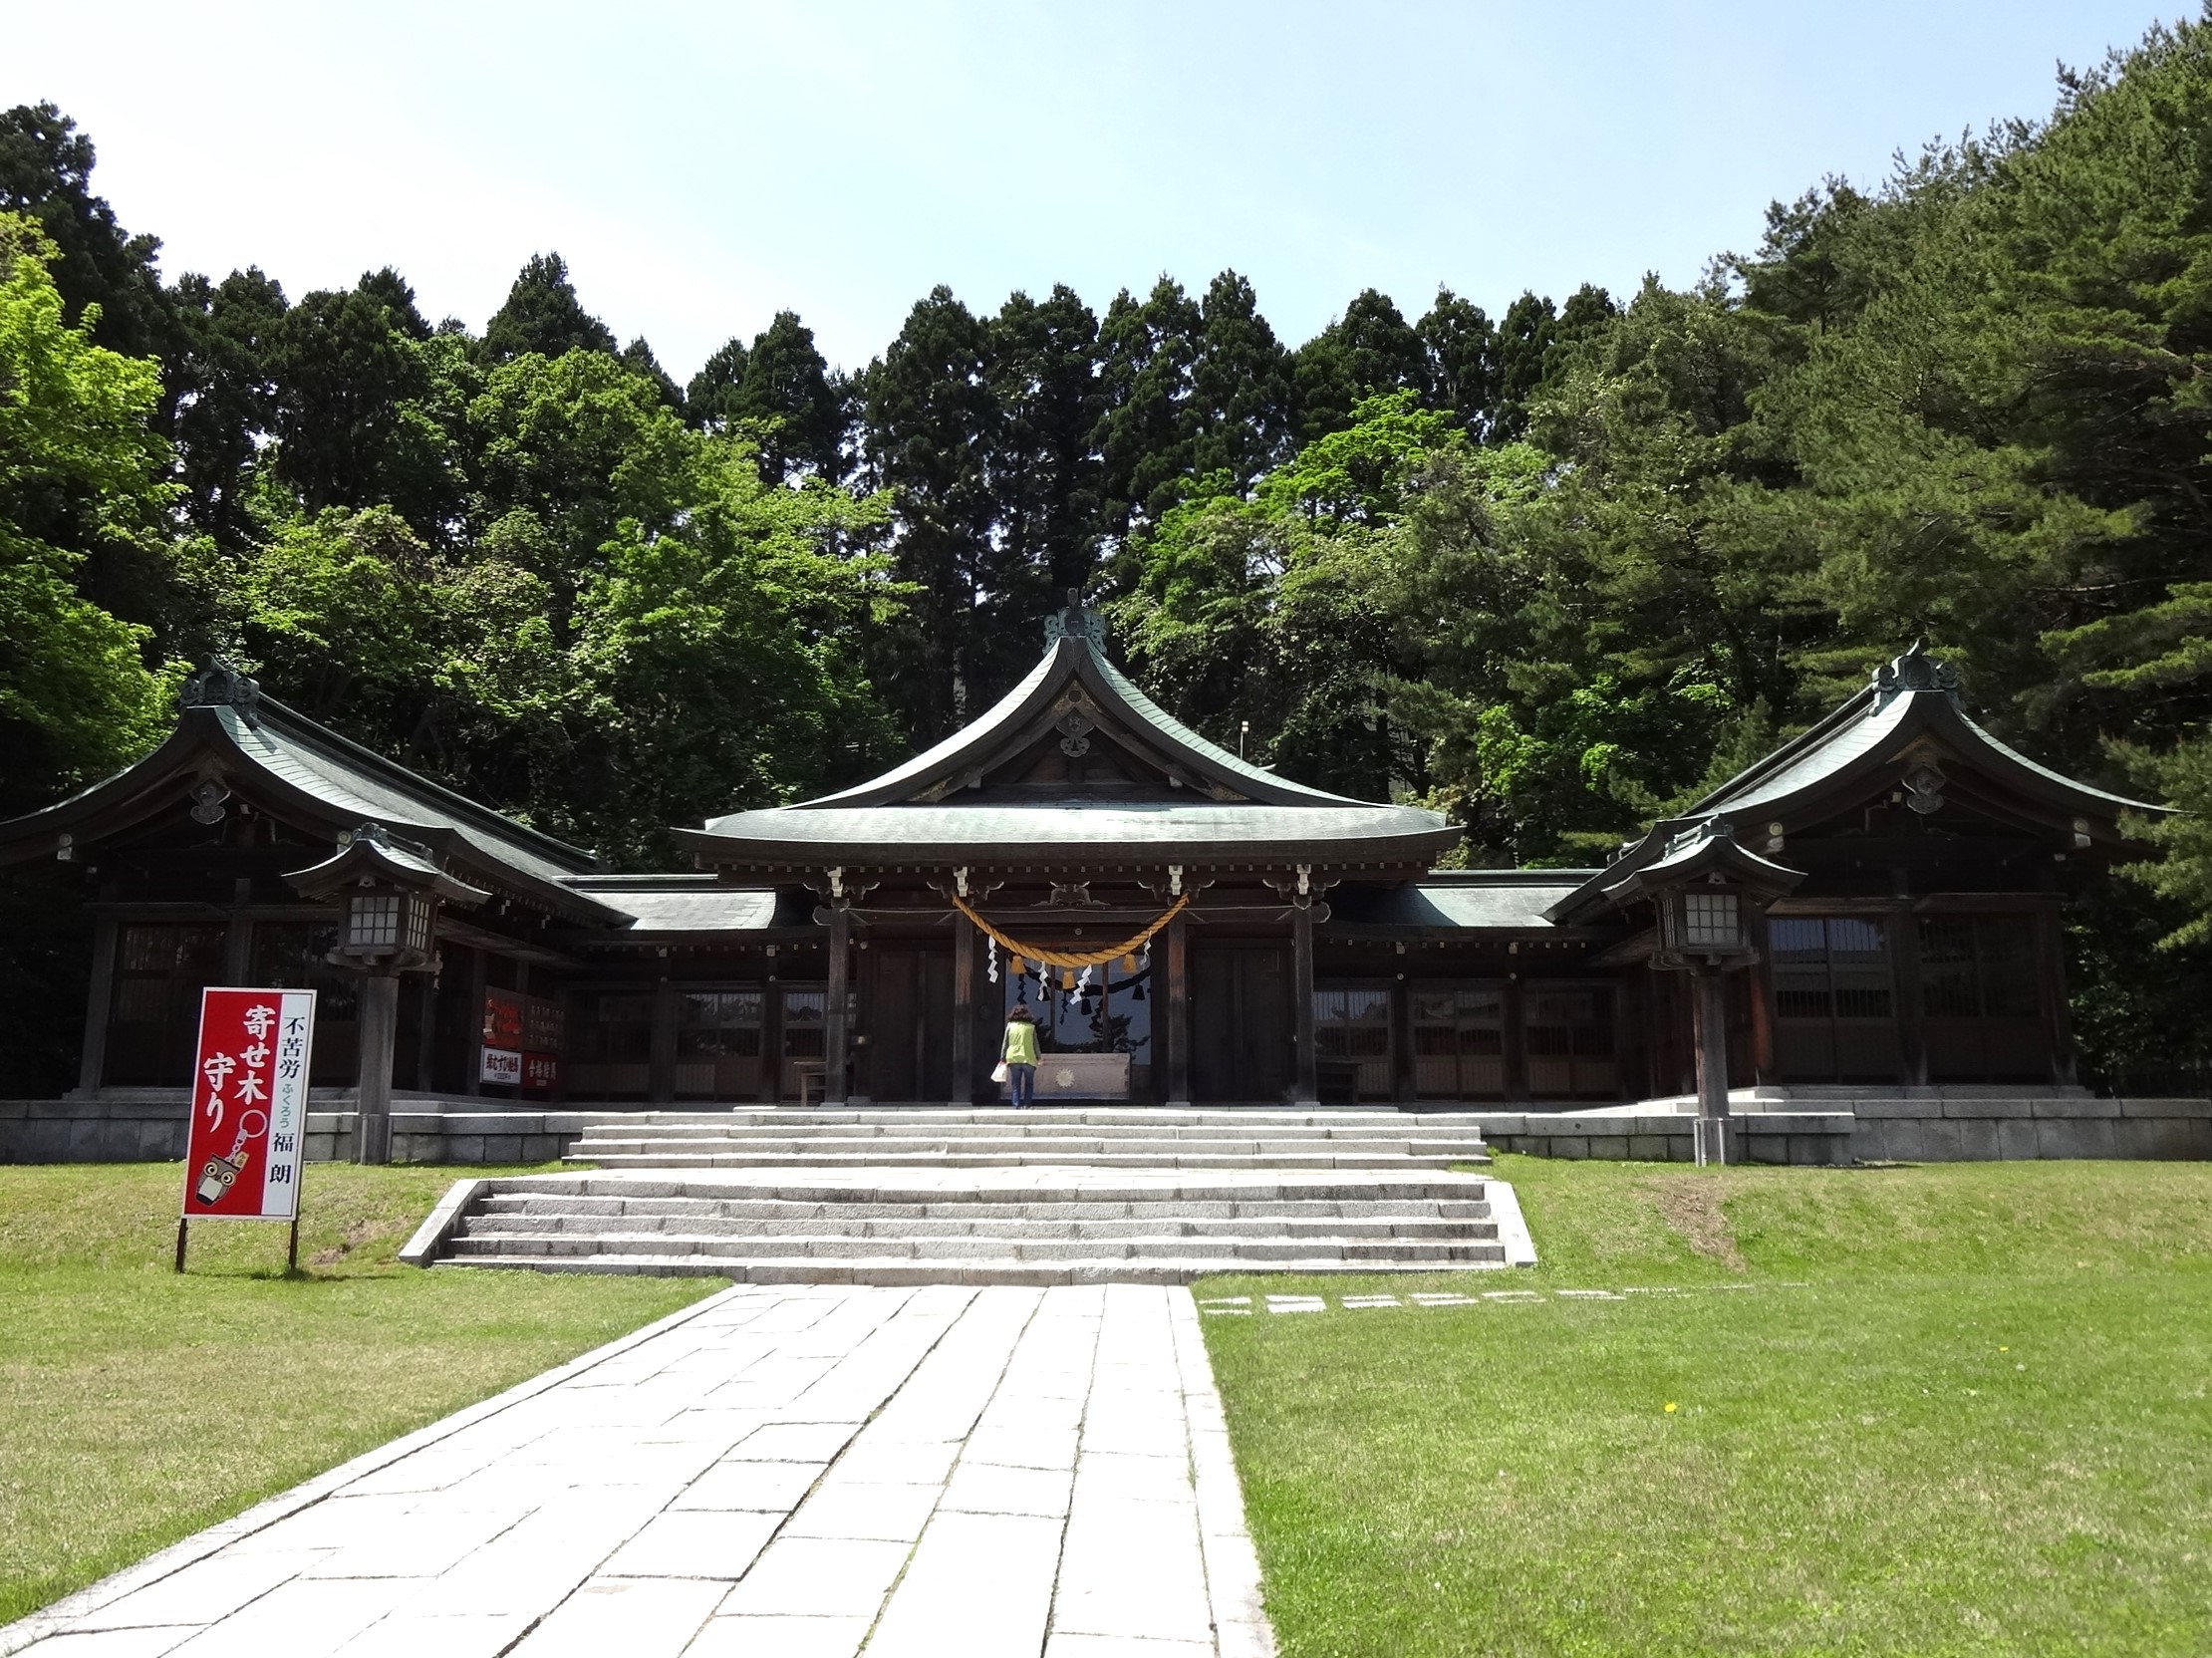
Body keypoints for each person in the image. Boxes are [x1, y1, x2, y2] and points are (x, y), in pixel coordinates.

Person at [1001, 1002, 1039, 1108]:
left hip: (1013, 1058)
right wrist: (1039, 1057)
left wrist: (1002, 1058)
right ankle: (1027, 1104)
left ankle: (1016, 1104)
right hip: (1028, 1057)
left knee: (1015, 1084)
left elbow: (1005, 1043)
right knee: (1029, 1083)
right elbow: (1035, 1044)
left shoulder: (1010, 1026)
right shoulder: (1031, 1027)